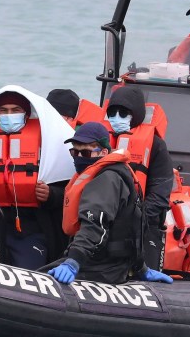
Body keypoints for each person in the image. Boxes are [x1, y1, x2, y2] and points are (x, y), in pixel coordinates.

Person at [0, 86, 76, 269]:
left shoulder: (49, 143)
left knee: (31, 270)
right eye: (3, 110)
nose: (9, 115)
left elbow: (73, 189)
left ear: (26, 114)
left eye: (15, 110)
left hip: (33, 228)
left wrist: (51, 194)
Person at [47, 122, 173, 285]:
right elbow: (129, 229)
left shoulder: (105, 179)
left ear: (104, 152)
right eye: (74, 152)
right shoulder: (116, 173)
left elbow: (95, 226)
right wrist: (141, 268)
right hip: (113, 265)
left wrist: (73, 263)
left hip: (101, 268)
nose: (78, 157)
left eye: (85, 152)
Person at [103, 85, 174, 271]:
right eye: (112, 113)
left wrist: (134, 219)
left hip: (143, 225)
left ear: (136, 114)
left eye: (123, 113)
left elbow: (160, 193)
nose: (116, 118)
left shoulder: (156, 146)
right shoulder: (99, 141)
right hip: (104, 221)